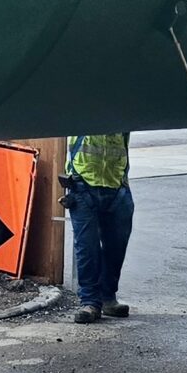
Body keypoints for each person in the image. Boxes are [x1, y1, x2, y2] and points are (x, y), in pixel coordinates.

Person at [62, 133, 133, 324]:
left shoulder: (123, 107)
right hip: (83, 183)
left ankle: (107, 297)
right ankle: (90, 301)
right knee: (87, 248)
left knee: (116, 246)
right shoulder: (82, 105)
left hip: (116, 184)